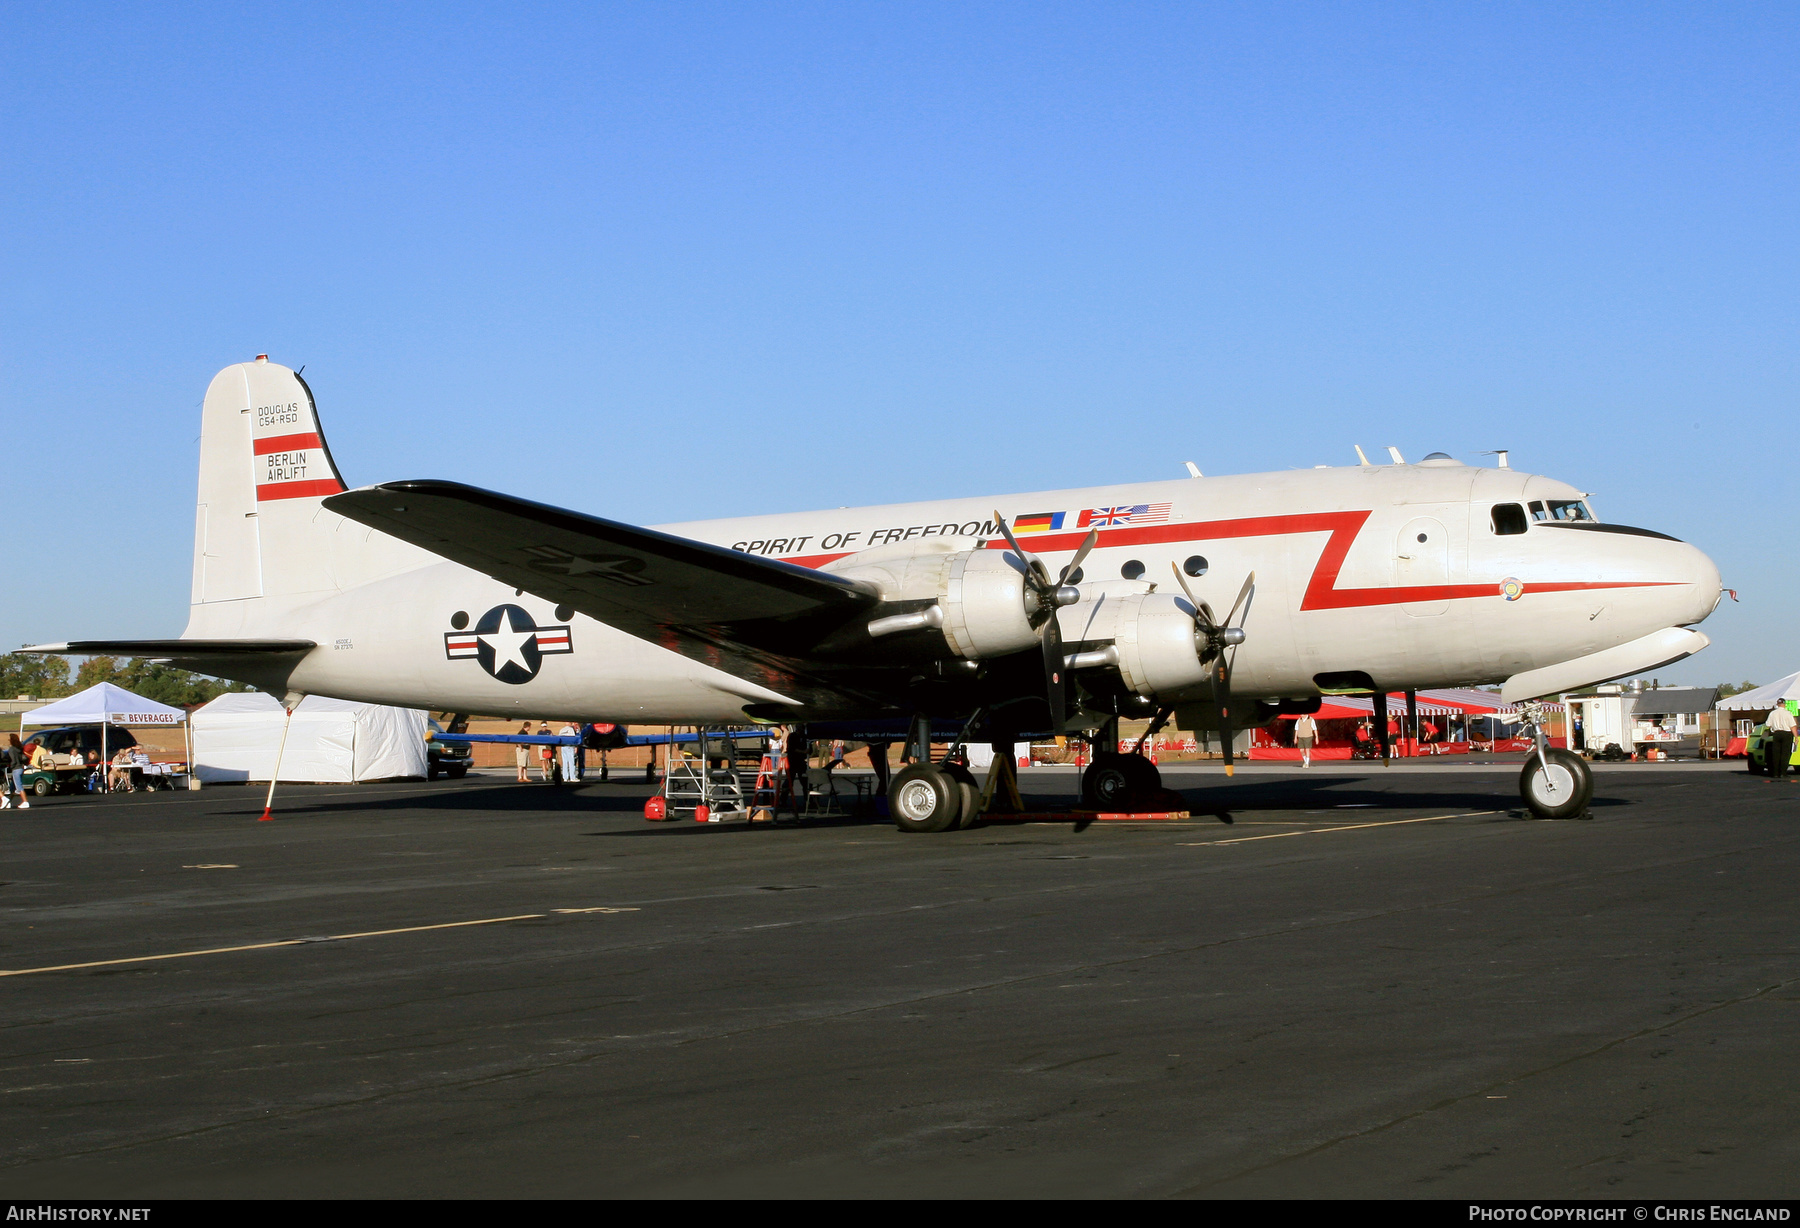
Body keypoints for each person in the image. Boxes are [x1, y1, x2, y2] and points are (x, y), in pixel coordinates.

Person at [1765, 702, 1796, 782]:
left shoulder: (1773, 713)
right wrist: (1796, 737)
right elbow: (1792, 726)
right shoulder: (1788, 713)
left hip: (1776, 733)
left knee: (1776, 754)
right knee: (1785, 754)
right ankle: (1783, 773)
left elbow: (1768, 724)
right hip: (1786, 734)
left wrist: (1772, 729)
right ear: (1784, 704)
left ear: (1777, 704)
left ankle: (1775, 773)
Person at [1, 733, 27, 810]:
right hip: (21, 768)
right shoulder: (19, 748)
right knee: (13, 787)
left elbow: (13, 759)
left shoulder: (12, 749)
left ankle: (25, 801)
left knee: (19, 786)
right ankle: (8, 802)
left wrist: (10, 766)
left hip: (16, 768)